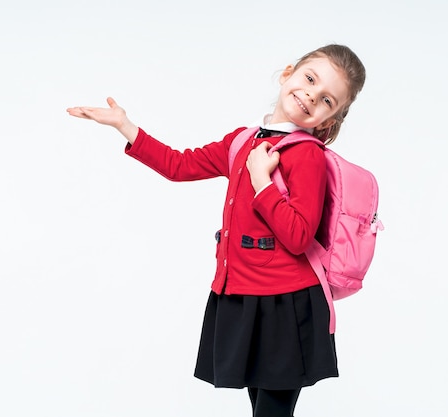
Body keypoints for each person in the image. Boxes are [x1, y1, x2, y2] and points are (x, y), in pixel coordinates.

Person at [66, 44, 366, 417]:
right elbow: (179, 165)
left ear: (328, 121)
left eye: (325, 100)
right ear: (288, 72)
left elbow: (299, 235)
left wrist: (262, 183)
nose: (310, 95)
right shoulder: (242, 140)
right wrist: (125, 127)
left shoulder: (306, 154)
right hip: (242, 294)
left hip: (285, 305)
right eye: (309, 79)